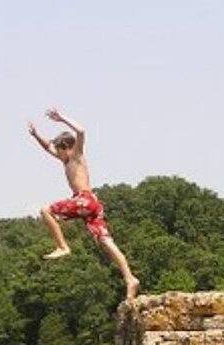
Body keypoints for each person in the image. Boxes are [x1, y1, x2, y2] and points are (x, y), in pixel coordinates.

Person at [27, 107, 140, 301]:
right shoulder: (65, 159)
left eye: (60, 151)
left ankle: (63, 246)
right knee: (106, 242)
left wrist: (62, 118)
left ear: (67, 148)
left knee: (45, 210)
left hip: (84, 200)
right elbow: (48, 148)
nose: (57, 155)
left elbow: (81, 131)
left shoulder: (77, 155)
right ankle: (130, 279)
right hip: (93, 205)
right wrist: (37, 135)